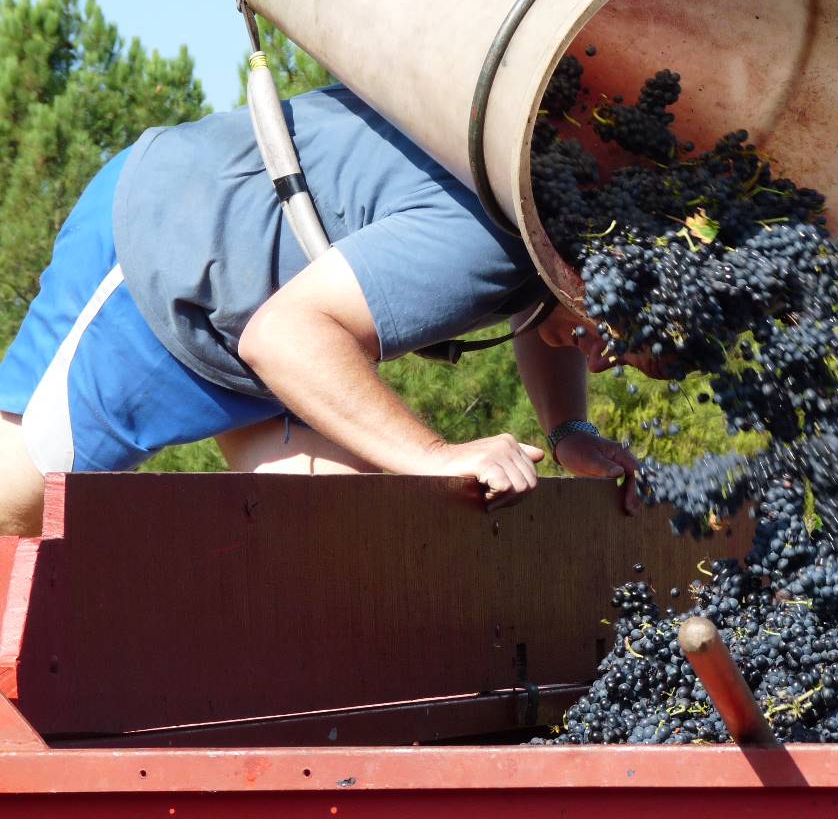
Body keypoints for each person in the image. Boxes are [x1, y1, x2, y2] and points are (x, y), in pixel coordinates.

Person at [0, 84, 655, 537]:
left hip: (272, 317)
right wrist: (432, 453)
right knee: (16, 511)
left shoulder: (554, 210)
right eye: (613, 338)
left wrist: (568, 427)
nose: (603, 360)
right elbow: (284, 336)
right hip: (178, 251)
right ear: (599, 264)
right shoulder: (494, 242)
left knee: (353, 542)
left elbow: (542, 302)